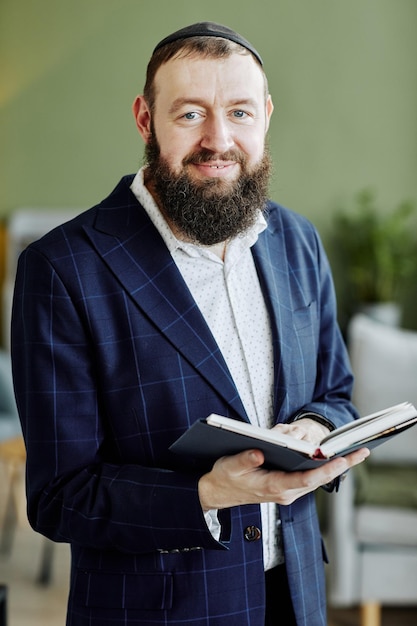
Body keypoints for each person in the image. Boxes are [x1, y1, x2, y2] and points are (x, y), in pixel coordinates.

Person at [11, 22, 369, 626]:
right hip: (158, 612)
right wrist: (211, 492)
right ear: (145, 119)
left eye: (239, 111)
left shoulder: (298, 241)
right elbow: (59, 498)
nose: (218, 139)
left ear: (266, 115)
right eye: (189, 115)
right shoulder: (61, 269)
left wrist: (311, 431)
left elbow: (335, 394)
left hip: (297, 599)